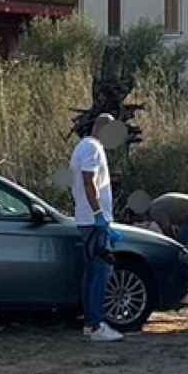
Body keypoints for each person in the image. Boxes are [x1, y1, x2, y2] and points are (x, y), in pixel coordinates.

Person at [71, 113, 122, 342]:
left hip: (86, 220)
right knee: (101, 272)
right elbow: (88, 181)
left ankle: (90, 322)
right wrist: (99, 214)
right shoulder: (93, 148)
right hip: (94, 222)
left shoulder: (82, 147)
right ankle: (96, 323)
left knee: (92, 273)